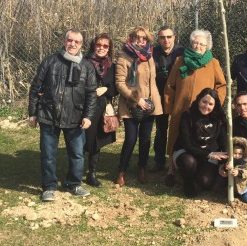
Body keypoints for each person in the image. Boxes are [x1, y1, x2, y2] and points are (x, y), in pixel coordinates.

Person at [28, 29, 97, 201]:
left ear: (81, 44)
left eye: (77, 42)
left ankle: (74, 184)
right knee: (48, 154)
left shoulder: (87, 66)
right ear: (65, 41)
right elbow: (35, 88)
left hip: (76, 117)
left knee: (77, 154)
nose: (72, 44)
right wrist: (33, 113)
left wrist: (88, 116)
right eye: (69, 40)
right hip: (49, 115)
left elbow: (91, 94)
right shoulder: (50, 61)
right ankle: (49, 187)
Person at [164, 29, 227, 186]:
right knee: (175, 137)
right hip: (181, 108)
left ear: (207, 46)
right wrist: (169, 107)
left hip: (203, 111)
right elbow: (170, 85)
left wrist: (214, 104)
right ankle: (171, 169)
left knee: (200, 137)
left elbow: (221, 85)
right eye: (195, 42)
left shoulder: (213, 63)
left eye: (201, 43)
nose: (198, 46)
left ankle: (199, 166)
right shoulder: (180, 60)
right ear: (191, 43)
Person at [115, 26, 163, 186]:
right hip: (131, 104)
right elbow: (119, 83)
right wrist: (137, 100)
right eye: (137, 37)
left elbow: (152, 81)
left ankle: (142, 167)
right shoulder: (123, 57)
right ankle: (122, 170)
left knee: (145, 139)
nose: (141, 41)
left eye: (144, 38)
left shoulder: (149, 56)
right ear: (131, 38)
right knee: (130, 139)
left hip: (149, 104)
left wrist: (151, 102)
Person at [173, 88, 228, 197]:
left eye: (210, 104)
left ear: (215, 105)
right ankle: (187, 181)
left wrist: (224, 163)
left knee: (205, 182)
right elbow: (187, 144)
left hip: (208, 155)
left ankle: (196, 175)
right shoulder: (187, 115)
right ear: (198, 100)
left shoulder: (218, 119)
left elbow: (223, 142)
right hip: (187, 152)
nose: (206, 106)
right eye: (204, 102)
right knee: (189, 162)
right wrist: (209, 154)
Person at [84, 33, 118, 187]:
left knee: (97, 140)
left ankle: (92, 172)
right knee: (82, 139)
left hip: (102, 107)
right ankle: (76, 170)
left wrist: (105, 88)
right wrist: (92, 90)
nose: (101, 48)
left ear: (109, 48)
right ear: (93, 45)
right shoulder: (84, 62)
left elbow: (115, 89)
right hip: (83, 106)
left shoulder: (112, 66)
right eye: (99, 45)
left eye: (105, 46)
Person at [152, 25, 184, 172]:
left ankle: (177, 159)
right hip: (158, 96)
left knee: (179, 128)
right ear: (158, 39)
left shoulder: (181, 52)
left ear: (174, 38)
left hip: (177, 96)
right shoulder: (153, 52)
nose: (166, 40)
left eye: (169, 37)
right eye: (162, 37)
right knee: (161, 129)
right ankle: (159, 160)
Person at [219, 137, 247, 203]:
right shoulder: (229, 161)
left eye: (240, 154)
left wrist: (238, 172)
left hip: (244, 186)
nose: (237, 155)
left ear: (244, 153)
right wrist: (225, 168)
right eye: (235, 153)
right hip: (233, 187)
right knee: (224, 194)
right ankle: (237, 194)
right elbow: (222, 170)